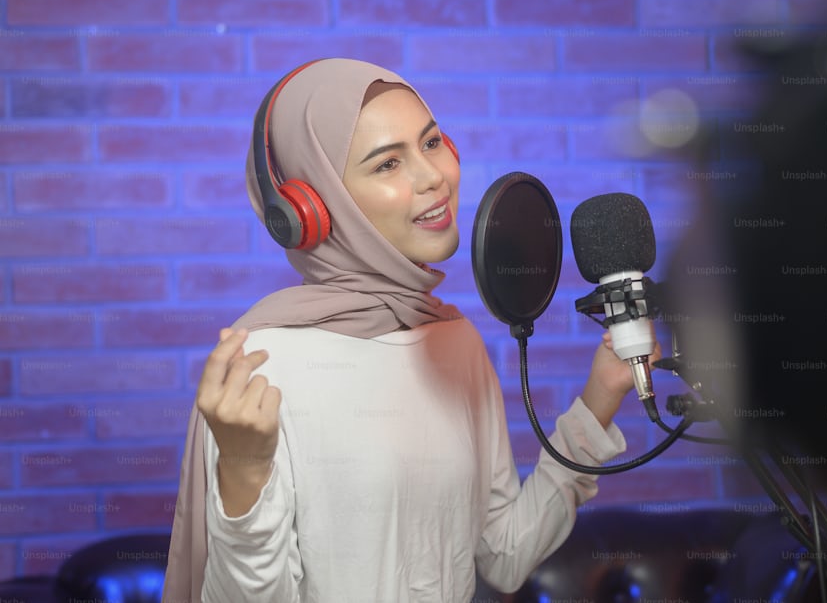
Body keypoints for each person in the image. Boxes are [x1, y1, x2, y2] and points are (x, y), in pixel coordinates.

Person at [162, 58, 651, 602]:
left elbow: (505, 555)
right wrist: (245, 470)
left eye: (432, 143)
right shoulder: (260, 365)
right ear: (313, 209)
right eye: (387, 164)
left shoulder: (455, 340)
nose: (432, 177)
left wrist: (602, 395)